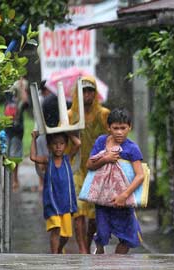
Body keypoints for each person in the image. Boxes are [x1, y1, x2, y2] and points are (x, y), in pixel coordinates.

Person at [86, 108, 144, 254]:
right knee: (103, 233)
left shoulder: (132, 149)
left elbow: (140, 175)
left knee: (127, 238)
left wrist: (124, 195)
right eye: (115, 128)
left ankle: (116, 264)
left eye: (123, 128)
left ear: (129, 127)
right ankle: (99, 248)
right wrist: (105, 159)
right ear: (108, 127)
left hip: (124, 201)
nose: (119, 132)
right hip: (103, 199)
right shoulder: (101, 142)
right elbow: (89, 165)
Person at [67, 75, 110, 254]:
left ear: (95, 93)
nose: (87, 95)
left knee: (93, 215)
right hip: (76, 166)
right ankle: (83, 250)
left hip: (97, 168)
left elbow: (113, 137)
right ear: (78, 93)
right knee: (78, 210)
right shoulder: (69, 115)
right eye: (83, 91)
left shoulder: (103, 114)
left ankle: (87, 241)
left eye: (90, 90)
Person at [30, 130, 81, 253]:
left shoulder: (67, 159)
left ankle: (58, 250)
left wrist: (68, 132)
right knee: (56, 229)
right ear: (49, 146)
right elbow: (33, 157)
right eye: (55, 144)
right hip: (52, 202)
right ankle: (54, 257)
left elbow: (78, 143)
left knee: (66, 235)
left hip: (66, 203)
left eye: (62, 144)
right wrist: (34, 139)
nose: (58, 147)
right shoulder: (48, 161)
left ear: (66, 145)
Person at [4, 76, 29, 191]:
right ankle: (8, 180)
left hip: (17, 130)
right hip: (7, 129)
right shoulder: (9, 95)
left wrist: (23, 87)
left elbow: (25, 101)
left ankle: (15, 180)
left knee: (15, 156)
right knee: (6, 155)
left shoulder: (21, 100)